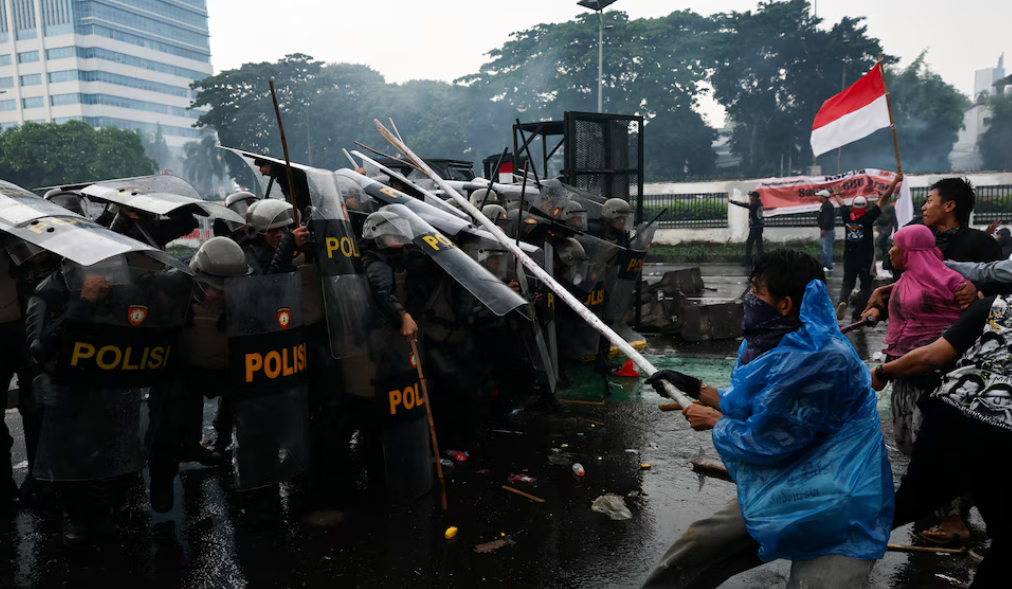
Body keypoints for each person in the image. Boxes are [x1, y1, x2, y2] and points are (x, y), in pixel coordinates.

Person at [641, 249, 893, 589]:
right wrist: (695, 387)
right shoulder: (782, 344)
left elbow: (771, 440)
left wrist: (717, 422)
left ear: (785, 303)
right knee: (698, 546)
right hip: (788, 482)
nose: (749, 299)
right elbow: (752, 403)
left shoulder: (823, 360)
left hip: (837, 501)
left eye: (757, 292)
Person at [871, 290, 1012, 584]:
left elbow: (935, 355)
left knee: (910, 503)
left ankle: (833, 546)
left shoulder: (999, 306)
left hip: (955, 420)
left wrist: (883, 371)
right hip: (1002, 436)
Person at [148, 238, 250, 512]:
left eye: (228, 289)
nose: (219, 295)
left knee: (255, 412)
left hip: (227, 368)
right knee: (164, 417)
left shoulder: (249, 293)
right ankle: (162, 481)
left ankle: (256, 480)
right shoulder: (171, 288)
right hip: (184, 367)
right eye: (213, 288)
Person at [834, 173, 903, 321]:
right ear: (865, 207)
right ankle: (858, 313)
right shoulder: (868, 218)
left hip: (849, 256)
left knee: (847, 282)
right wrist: (895, 182)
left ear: (853, 206)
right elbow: (884, 199)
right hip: (865, 259)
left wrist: (837, 193)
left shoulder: (847, 216)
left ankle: (842, 301)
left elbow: (841, 203)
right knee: (866, 286)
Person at [242, 200, 309, 275]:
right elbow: (271, 282)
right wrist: (288, 244)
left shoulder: (285, 246)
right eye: (273, 230)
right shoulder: (247, 256)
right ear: (259, 234)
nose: (279, 234)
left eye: (283, 229)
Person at [728, 191, 763, 264]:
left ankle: (748, 260)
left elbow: (743, 204)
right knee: (759, 244)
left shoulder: (754, 205)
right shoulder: (759, 203)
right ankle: (762, 259)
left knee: (749, 243)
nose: (750, 198)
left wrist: (731, 201)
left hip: (755, 227)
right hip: (759, 226)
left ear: (755, 197)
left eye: (751, 196)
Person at [875, 203, 897, 271]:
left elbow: (893, 219)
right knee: (882, 245)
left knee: (880, 243)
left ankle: (888, 259)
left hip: (886, 230)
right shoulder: (879, 206)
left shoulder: (889, 207)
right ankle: (886, 259)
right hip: (879, 229)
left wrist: (896, 229)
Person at [816, 189, 835, 271]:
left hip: (827, 230)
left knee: (826, 248)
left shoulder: (828, 206)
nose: (818, 197)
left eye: (819, 196)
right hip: (825, 230)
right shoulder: (824, 205)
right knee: (822, 248)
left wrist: (824, 228)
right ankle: (824, 264)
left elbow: (827, 219)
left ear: (823, 197)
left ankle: (828, 265)